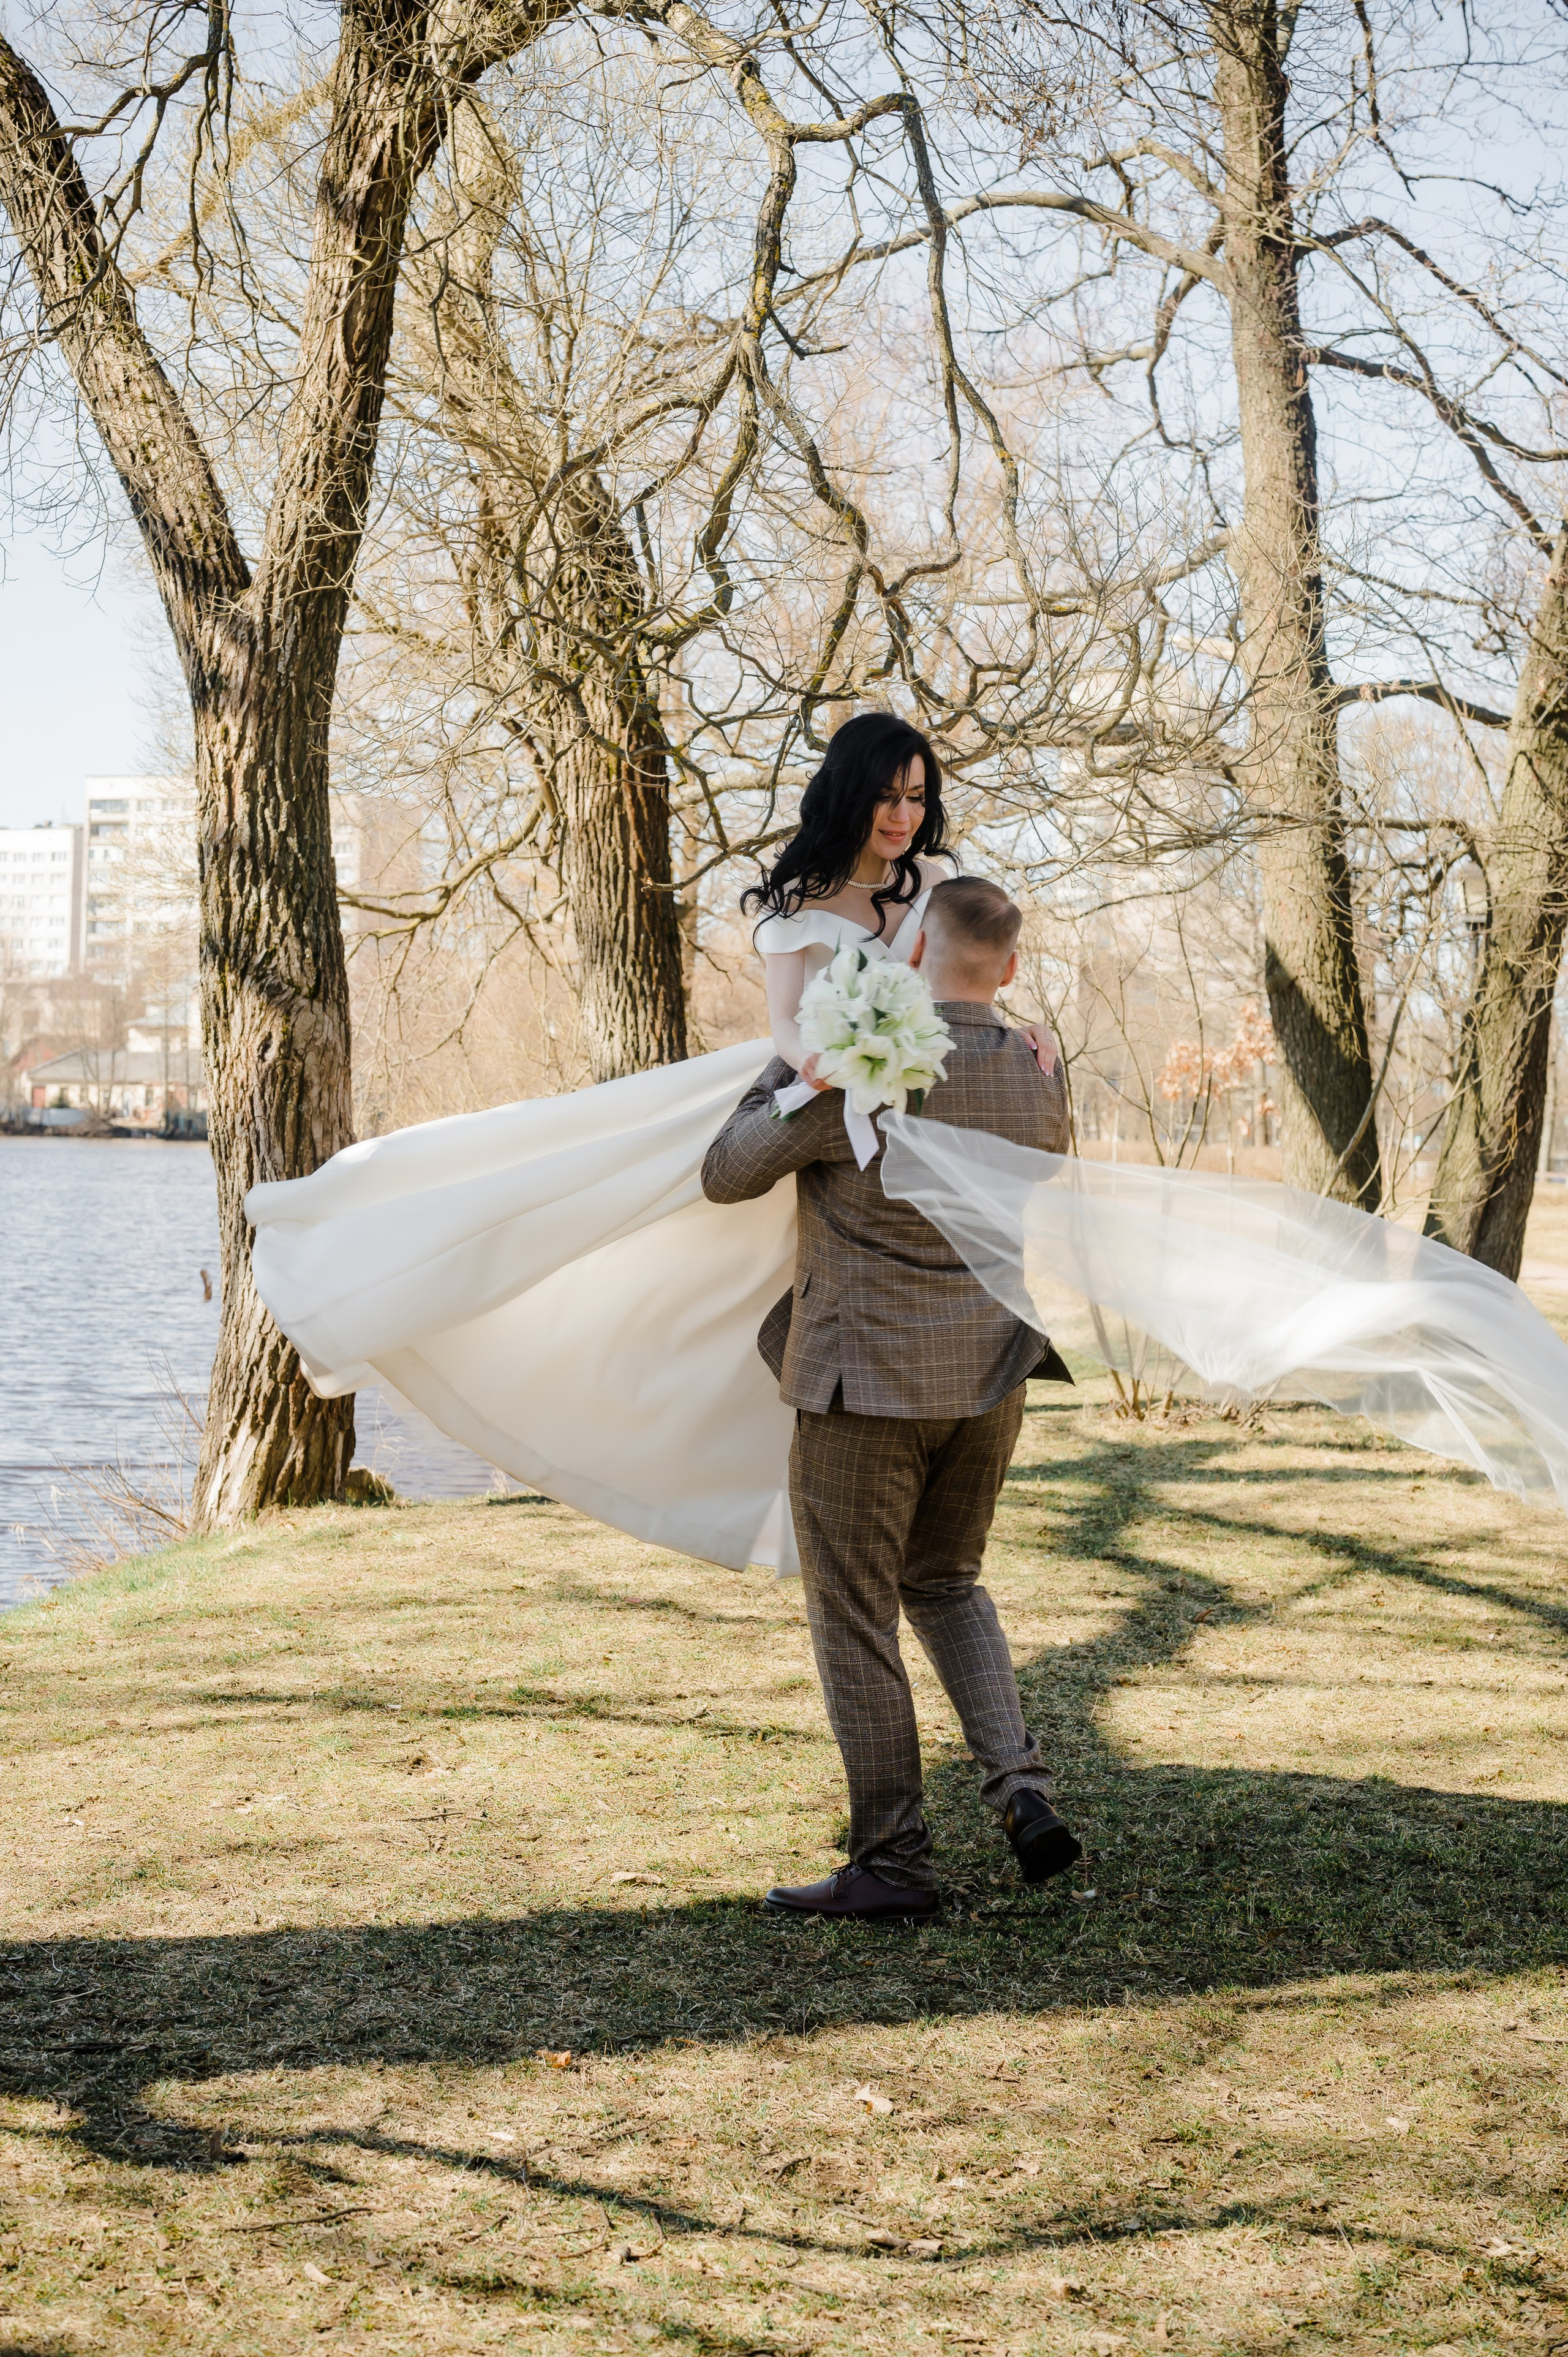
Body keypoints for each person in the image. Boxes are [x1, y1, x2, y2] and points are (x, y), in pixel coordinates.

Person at [701, 875, 1083, 1921]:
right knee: (949, 1581)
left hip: (863, 1382)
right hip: (990, 1377)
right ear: (1011, 968)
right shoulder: (1040, 1077)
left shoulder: (861, 1073)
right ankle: (1021, 1788)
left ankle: (894, 1861)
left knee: (855, 1614)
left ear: (911, 955)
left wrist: (793, 1063)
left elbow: (726, 1171)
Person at [745, 709, 1058, 1088]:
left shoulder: (934, 884)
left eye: (916, 798)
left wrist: (1009, 1037)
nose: (904, 817)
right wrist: (812, 1062)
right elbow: (782, 1022)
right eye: (884, 797)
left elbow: (959, 996)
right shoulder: (793, 898)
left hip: (919, 1082)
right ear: (846, 795)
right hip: (825, 1082)